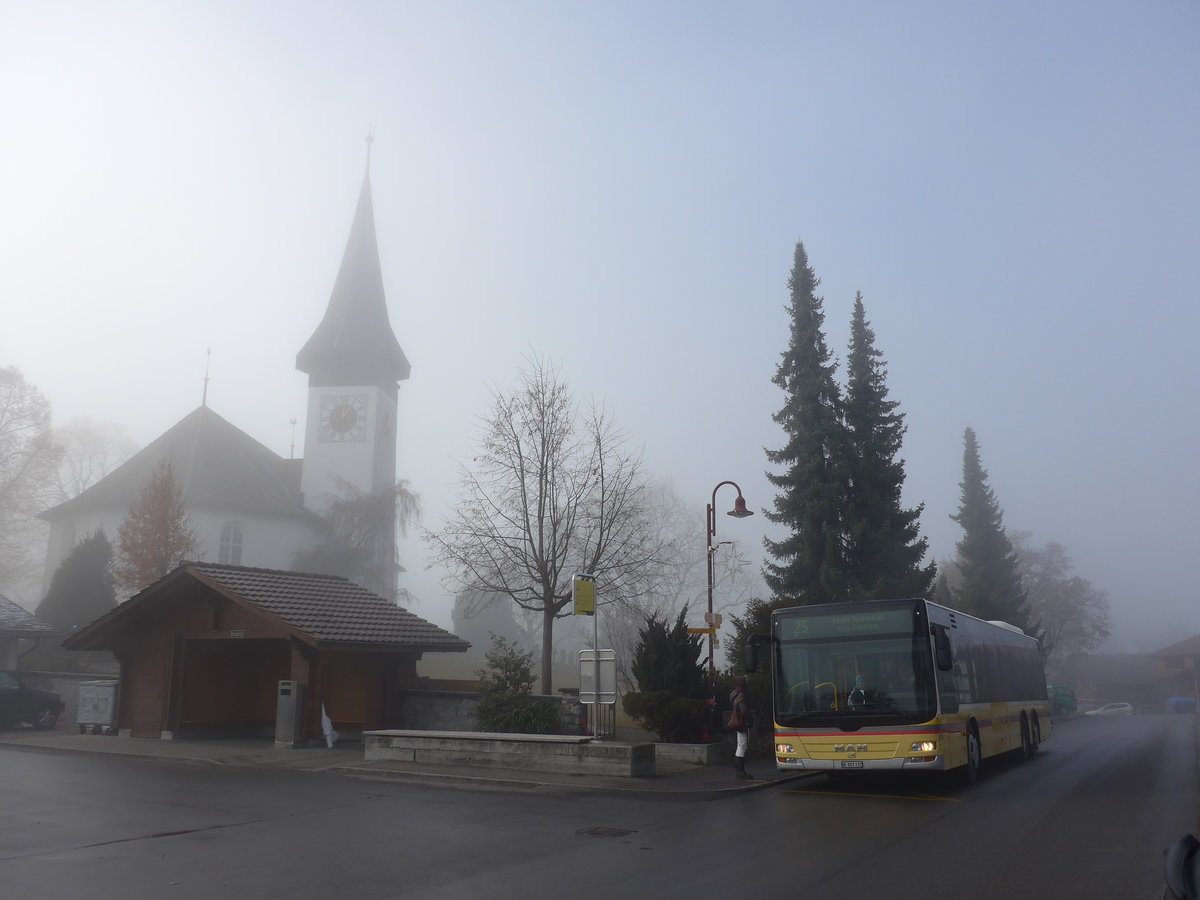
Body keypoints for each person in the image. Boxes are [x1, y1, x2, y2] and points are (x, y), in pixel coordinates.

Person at [729, 675, 754, 779]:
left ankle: (738, 768)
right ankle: (741, 771)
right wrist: (750, 720)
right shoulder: (741, 695)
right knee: (742, 745)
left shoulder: (733, 694)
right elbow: (744, 711)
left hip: (737, 721)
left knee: (741, 744)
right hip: (742, 722)